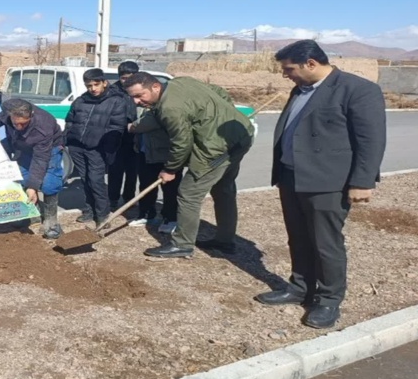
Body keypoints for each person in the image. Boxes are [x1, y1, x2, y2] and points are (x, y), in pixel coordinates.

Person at [254, 40, 386, 329]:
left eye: (289, 69)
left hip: (328, 182)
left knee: (326, 244)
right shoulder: (300, 89)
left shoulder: (358, 90)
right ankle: (300, 287)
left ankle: (328, 300)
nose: (285, 74)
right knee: (298, 237)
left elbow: (371, 141)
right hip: (292, 176)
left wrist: (362, 182)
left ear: (310, 63)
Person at [124, 72, 254, 258]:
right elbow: (218, 91)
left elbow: (181, 143)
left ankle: (182, 245)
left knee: (188, 194)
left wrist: (170, 169)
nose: (136, 101)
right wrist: (225, 113)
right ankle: (225, 240)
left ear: (155, 87)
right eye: (133, 97)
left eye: (139, 95)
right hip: (240, 136)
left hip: (217, 149)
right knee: (223, 190)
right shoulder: (181, 82)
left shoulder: (171, 108)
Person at [0, 99, 65, 239]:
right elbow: (1, 116)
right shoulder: (9, 109)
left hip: (49, 149)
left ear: (31, 115)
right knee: (21, 177)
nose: (20, 127)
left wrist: (33, 186)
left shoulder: (43, 127)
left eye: (24, 123)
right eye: (16, 123)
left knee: (49, 183)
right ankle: (30, 213)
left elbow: (40, 159)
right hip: (22, 145)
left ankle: (51, 221)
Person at [64, 68, 128, 225]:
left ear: (104, 83)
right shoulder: (81, 100)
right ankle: (89, 210)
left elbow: (117, 128)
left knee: (96, 181)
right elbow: (70, 121)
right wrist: (67, 139)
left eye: (96, 84)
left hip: (98, 149)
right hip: (77, 147)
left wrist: (108, 151)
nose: (93, 89)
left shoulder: (116, 101)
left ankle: (103, 215)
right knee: (85, 179)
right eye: (89, 85)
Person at [127, 94, 183, 234]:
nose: (137, 101)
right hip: (144, 153)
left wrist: (132, 126)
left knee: (170, 190)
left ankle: (170, 219)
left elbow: (140, 126)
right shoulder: (140, 108)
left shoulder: (164, 108)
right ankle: (146, 214)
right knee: (145, 185)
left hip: (164, 155)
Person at [106, 61, 139, 210]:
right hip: (116, 138)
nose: (126, 81)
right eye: (123, 78)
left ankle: (129, 199)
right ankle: (113, 199)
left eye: (130, 78)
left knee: (132, 172)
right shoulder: (112, 92)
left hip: (135, 137)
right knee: (115, 171)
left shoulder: (139, 90)